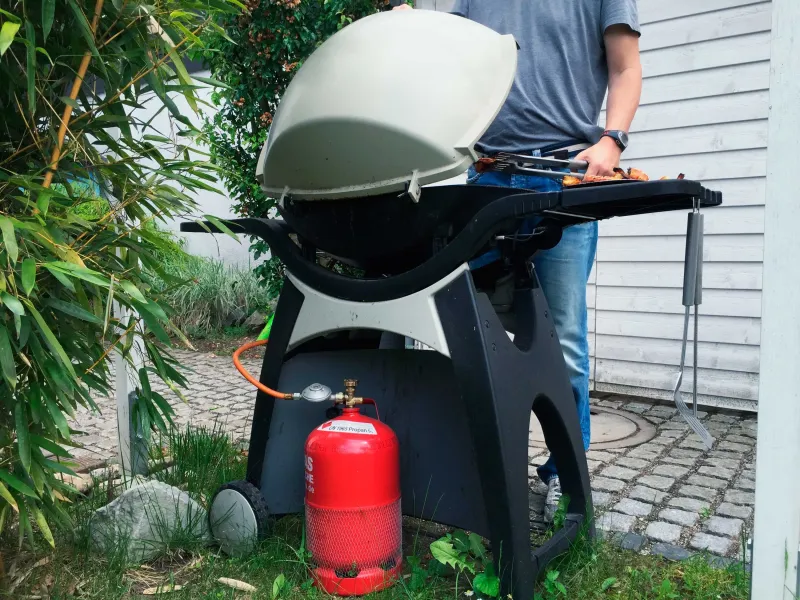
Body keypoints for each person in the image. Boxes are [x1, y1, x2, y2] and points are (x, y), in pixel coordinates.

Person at [394, 0, 642, 523]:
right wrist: (410, 30)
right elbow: (448, 62)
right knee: (465, 329)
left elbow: (625, 67)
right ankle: (471, 467)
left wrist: (612, 141)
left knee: (562, 340)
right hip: (487, 177)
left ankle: (565, 480)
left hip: (564, 173)